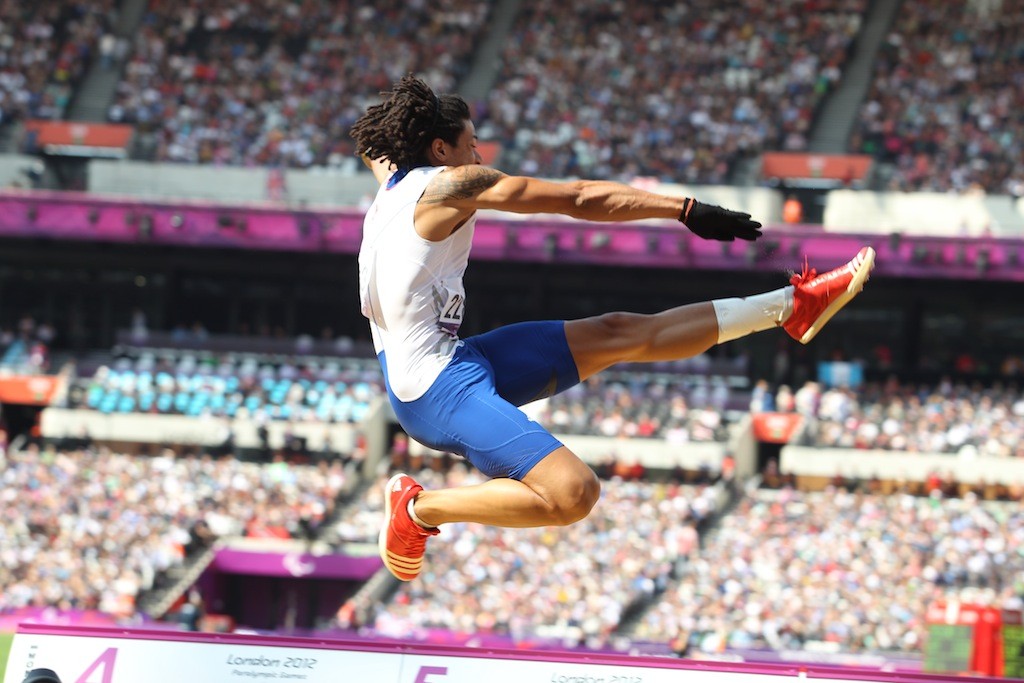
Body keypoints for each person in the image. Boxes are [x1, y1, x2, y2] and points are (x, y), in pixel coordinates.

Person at [350, 75, 875, 582]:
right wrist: (684, 209)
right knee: (574, 492)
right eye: (471, 145)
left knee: (620, 331)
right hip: (432, 391)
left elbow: (375, 149)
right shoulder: (449, 186)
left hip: (456, 359)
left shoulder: (393, 178)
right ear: (440, 151)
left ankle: (791, 305)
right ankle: (418, 509)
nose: (479, 157)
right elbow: (575, 198)